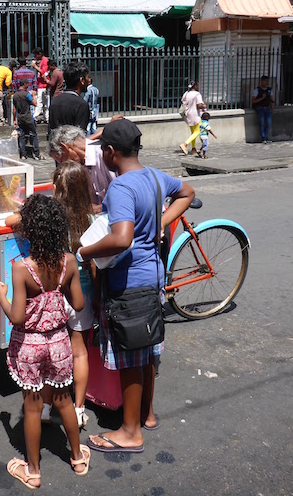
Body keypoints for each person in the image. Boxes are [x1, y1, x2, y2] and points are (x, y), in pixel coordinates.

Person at [77, 118, 194, 453]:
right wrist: (160, 220)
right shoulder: (155, 176)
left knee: (130, 355)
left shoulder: (121, 187)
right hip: (153, 279)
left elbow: (122, 239)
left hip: (130, 284)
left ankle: (130, 432)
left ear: (111, 153)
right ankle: (147, 414)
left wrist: (85, 251)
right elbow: (187, 192)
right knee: (147, 350)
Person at [0, 194, 90, 488]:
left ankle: (32, 471)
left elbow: (18, 317)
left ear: (30, 231)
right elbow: (79, 304)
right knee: (64, 400)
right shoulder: (69, 262)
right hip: (59, 341)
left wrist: (1, 296)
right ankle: (77, 457)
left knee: (32, 408)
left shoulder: (22, 268)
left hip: (29, 346)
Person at [52, 161, 98, 428]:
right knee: (79, 351)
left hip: (56, 293)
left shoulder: (54, 218)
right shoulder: (91, 221)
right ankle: (79, 408)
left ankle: (46, 406)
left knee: (53, 348)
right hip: (83, 294)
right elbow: (94, 266)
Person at [48, 125, 115, 211]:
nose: (63, 166)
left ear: (64, 148)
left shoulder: (104, 155)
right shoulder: (81, 166)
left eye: (61, 160)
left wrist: (100, 208)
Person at [49, 61, 91, 138]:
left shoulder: (55, 101)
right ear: (81, 80)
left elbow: (51, 132)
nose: (89, 81)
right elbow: (79, 137)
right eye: (88, 77)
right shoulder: (81, 105)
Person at [12, 78, 41, 160]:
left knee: (22, 136)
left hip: (20, 118)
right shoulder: (27, 94)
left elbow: (14, 109)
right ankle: (37, 154)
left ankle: (23, 155)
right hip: (28, 117)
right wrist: (34, 96)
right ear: (24, 84)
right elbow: (35, 104)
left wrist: (14, 119)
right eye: (27, 84)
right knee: (33, 135)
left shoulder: (15, 95)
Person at [179, 81, 206, 155]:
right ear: (196, 86)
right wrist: (204, 106)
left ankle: (193, 149)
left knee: (193, 132)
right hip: (195, 114)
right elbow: (199, 106)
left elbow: (183, 102)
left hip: (188, 114)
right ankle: (185, 144)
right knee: (198, 131)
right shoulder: (197, 94)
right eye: (198, 85)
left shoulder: (186, 93)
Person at [252, 75, 274, 143]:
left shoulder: (269, 90)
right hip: (260, 108)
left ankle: (266, 136)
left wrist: (272, 109)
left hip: (267, 108)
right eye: (265, 81)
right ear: (261, 81)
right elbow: (253, 101)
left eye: (267, 81)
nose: (266, 83)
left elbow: (271, 100)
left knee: (269, 123)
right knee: (262, 122)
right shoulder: (257, 90)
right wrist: (262, 97)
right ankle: (263, 138)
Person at [30, 47, 49, 123]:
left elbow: (43, 72)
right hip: (40, 84)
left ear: (40, 54)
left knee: (40, 102)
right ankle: (46, 117)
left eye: (36, 55)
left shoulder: (45, 61)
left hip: (43, 85)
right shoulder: (41, 61)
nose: (35, 57)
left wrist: (35, 66)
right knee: (44, 103)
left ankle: (35, 117)